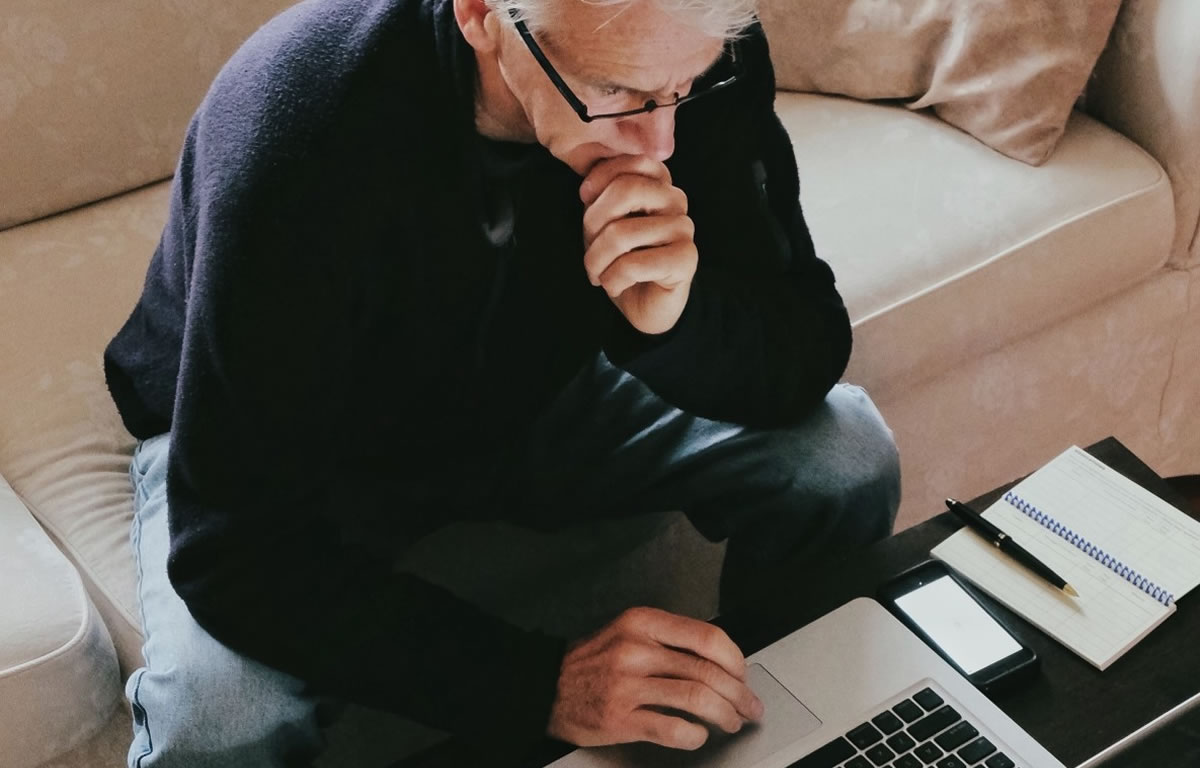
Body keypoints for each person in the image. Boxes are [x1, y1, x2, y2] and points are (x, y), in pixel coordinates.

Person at [103, 0, 901, 765]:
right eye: (612, 90)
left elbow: (804, 342)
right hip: (307, 443)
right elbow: (235, 553)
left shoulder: (695, 46)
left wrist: (677, 322)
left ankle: (788, 735)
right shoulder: (300, 116)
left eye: (681, 93)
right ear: (482, 14)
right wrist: (539, 684)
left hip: (539, 390)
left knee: (845, 457)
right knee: (218, 717)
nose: (658, 141)